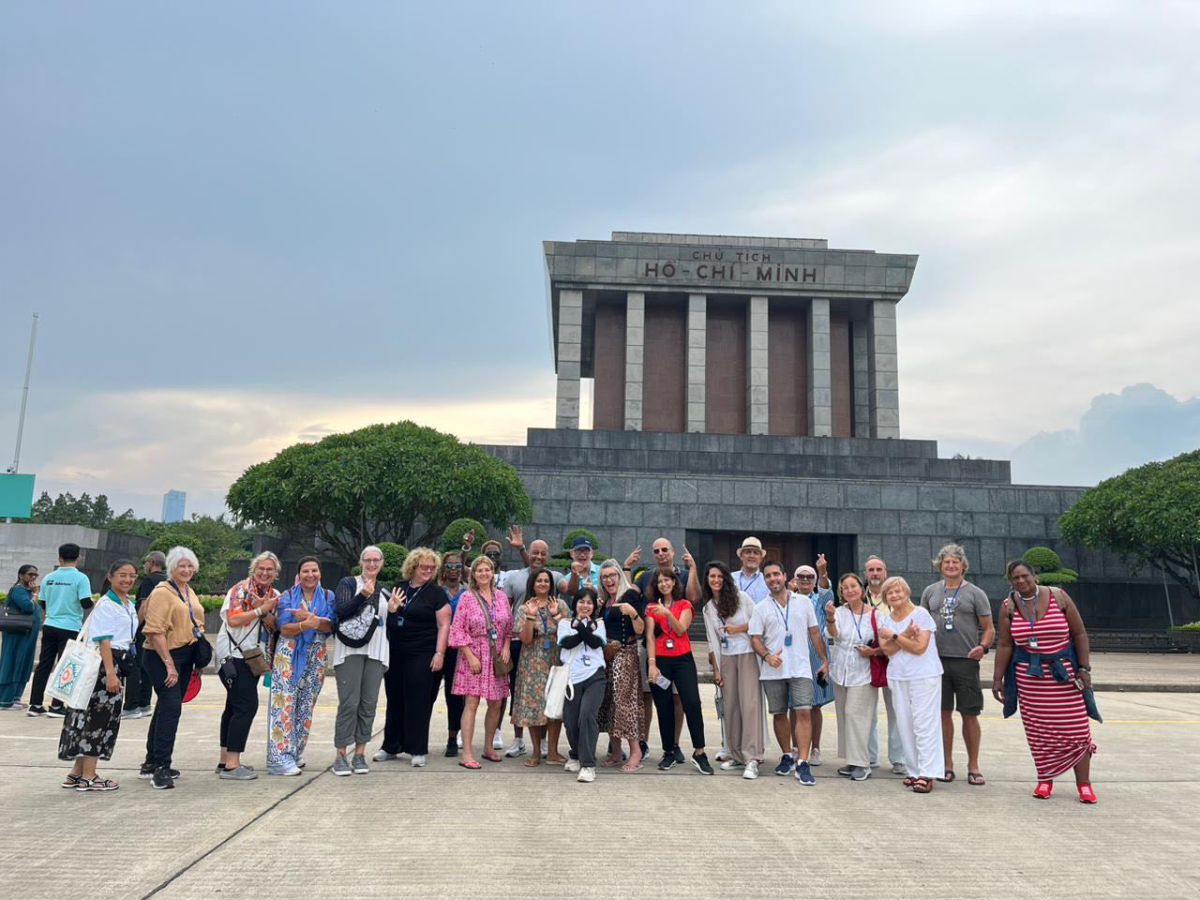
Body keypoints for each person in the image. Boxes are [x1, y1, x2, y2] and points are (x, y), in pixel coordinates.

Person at [992, 560, 1098, 803]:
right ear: (1010, 582)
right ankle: (1045, 779)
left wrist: (1084, 668)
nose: (1021, 581)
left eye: (1024, 576)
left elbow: (1079, 633)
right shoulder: (1008, 606)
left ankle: (1084, 784)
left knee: (1077, 730)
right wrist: (997, 678)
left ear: (1034, 576)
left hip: (1065, 676)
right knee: (1039, 733)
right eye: (1015, 578)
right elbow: (1005, 644)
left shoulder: (1059, 597)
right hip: (1030, 680)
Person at [56, 559, 139, 792]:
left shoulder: (126, 603)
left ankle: (77, 773)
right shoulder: (107, 604)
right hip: (104, 667)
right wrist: (111, 674)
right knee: (98, 719)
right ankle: (89, 777)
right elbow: (104, 641)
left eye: (132, 576)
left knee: (90, 716)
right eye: (122, 575)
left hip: (115, 663)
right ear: (110, 577)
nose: (127, 580)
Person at [749, 561, 828, 786]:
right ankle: (786, 755)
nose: (773, 579)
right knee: (779, 714)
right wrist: (767, 656)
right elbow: (755, 638)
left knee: (804, 712)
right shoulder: (760, 607)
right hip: (773, 670)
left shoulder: (803, 602)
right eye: (768, 576)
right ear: (765, 580)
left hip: (801, 668)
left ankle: (802, 762)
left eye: (776, 574)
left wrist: (824, 660)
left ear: (784, 576)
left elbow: (815, 633)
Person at [920, 544, 994, 786]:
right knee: (942, 714)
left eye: (955, 562)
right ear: (940, 565)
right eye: (946, 562)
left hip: (965, 660)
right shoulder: (930, 591)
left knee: (969, 713)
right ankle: (946, 764)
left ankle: (973, 766)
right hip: (936, 661)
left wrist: (983, 647)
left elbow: (989, 628)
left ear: (963, 566)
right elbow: (921, 623)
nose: (951, 565)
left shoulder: (976, 593)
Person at [376, 548, 451, 768]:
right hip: (396, 651)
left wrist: (440, 653)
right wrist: (391, 610)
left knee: (418, 700)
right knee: (395, 698)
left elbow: (444, 625)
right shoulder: (399, 587)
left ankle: (417, 749)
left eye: (432, 567)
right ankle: (391, 745)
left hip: (423, 652)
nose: (428, 571)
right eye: (424, 567)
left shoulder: (436, 593)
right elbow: (388, 620)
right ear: (413, 567)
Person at [139, 546, 205, 790]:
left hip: (185, 655)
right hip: (162, 655)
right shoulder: (162, 592)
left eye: (189, 566)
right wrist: (169, 665)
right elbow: (154, 631)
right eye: (181, 566)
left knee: (165, 707)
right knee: (171, 708)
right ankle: (161, 767)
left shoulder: (187, 590)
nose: (186, 570)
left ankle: (151, 762)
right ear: (171, 568)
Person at [494, 528, 561, 758]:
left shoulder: (556, 586)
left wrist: (576, 572)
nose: (538, 556)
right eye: (535, 552)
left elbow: (571, 591)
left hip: (552, 654)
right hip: (523, 647)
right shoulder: (515, 578)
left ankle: (544, 744)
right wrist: (504, 642)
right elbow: (505, 612)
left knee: (550, 698)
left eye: (543, 553)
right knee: (521, 694)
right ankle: (519, 739)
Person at [215, 551, 281, 780]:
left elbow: (275, 625)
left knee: (233, 706)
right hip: (233, 655)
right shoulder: (240, 590)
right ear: (253, 570)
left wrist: (264, 610)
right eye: (261, 568)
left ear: (275, 573)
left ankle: (225, 760)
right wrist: (259, 609)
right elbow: (233, 619)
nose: (265, 573)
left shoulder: (275, 595)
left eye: (269, 569)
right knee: (246, 706)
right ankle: (233, 765)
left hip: (254, 658)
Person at [877, 575, 943, 794]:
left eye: (898, 591)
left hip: (924, 675)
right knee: (905, 724)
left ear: (906, 592)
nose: (894, 595)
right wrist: (904, 635)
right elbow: (887, 650)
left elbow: (919, 648)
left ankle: (928, 772)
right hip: (898, 676)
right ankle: (914, 771)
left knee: (924, 725)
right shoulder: (885, 620)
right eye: (889, 592)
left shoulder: (920, 614)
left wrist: (894, 636)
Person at [268, 556, 334, 776]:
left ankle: (295, 752)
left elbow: (331, 625)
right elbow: (283, 627)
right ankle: (279, 758)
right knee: (284, 704)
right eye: (306, 571)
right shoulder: (287, 596)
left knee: (306, 705)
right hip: (289, 653)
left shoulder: (328, 596)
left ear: (320, 573)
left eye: (314, 570)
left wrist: (314, 621)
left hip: (317, 653)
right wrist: (306, 624)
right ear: (299, 575)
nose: (310, 575)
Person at [331, 545, 393, 777]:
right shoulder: (349, 583)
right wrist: (363, 595)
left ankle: (359, 753)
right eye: (368, 560)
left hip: (376, 651)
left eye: (376, 560)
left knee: (368, 704)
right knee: (349, 703)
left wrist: (394, 610)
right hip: (350, 650)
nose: (372, 564)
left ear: (382, 563)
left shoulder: (385, 590)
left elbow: (386, 622)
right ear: (361, 563)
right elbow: (341, 611)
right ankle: (340, 755)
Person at [646, 567, 713, 775]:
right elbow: (650, 636)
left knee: (691, 703)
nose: (664, 584)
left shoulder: (685, 604)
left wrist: (667, 613)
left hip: (683, 659)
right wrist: (652, 664)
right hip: (661, 660)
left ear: (674, 582)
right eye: (660, 582)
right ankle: (668, 752)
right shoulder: (651, 607)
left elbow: (681, 629)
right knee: (663, 706)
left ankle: (699, 752)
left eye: (667, 580)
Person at [701, 560, 765, 779]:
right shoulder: (708, 608)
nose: (716, 580)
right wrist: (716, 670)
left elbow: (759, 622)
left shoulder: (741, 598)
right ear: (707, 580)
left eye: (720, 576)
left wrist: (738, 629)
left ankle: (753, 757)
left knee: (750, 705)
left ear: (726, 578)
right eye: (712, 576)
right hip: (726, 658)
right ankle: (736, 754)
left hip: (747, 654)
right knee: (731, 708)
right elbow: (712, 641)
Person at [449, 554, 512, 769]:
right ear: (473, 574)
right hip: (474, 653)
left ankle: (488, 747)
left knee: (496, 703)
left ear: (493, 573)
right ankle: (467, 753)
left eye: (488, 569)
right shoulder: (467, 597)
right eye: (480, 570)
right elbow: (457, 629)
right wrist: (469, 655)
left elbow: (508, 627)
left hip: (496, 654)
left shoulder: (501, 597)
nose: (484, 573)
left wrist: (506, 646)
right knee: (472, 703)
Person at [509, 568, 570, 767]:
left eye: (546, 581)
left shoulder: (560, 605)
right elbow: (525, 639)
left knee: (555, 704)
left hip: (555, 660)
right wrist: (530, 616)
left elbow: (568, 634)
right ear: (532, 584)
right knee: (533, 707)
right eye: (539, 581)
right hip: (531, 662)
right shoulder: (524, 608)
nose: (543, 584)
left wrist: (557, 615)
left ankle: (552, 751)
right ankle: (536, 752)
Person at [27, 543, 94, 718]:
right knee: (65, 666)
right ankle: (57, 706)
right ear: (78, 558)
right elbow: (85, 603)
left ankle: (35, 704)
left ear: (60, 558)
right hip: (70, 626)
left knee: (44, 665)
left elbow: (43, 603)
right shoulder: (81, 578)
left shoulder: (49, 578)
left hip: (50, 625)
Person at [824, 573, 878, 781]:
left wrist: (872, 652)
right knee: (844, 716)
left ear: (861, 589)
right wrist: (830, 617)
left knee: (856, 716)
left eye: (853, 586)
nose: (849, 590)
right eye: (845, 587)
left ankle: (863, 763)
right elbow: (833, 634)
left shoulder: (875, 615)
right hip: (841, 671)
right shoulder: (839, 612)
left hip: (863, 672)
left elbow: (884, 642)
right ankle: (852, 760)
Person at [596, 558, 645, 771]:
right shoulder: (604, 602)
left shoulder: (630, 596)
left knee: (625, 702)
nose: (609, 580)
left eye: (612, 576)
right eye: (604, 577)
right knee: (609, 702)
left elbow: (641, 629)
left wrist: (632, 612)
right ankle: (616, 751)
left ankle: (635, 751)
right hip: (607, 656)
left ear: (619, 576)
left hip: (625, 654)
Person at [559, 587, 608, 783]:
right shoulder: (564, 623)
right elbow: (567, 643)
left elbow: (595, 643)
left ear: (594, 606)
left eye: (589, 603)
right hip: (572, 678)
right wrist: (584, 629)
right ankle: (576, 754)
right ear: (575, 603)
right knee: (571, 721)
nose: (585, 606)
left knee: (587, 716)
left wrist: (581, 627)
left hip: (595, 676)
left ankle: (588, 765)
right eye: (581, 602)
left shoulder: (599, 623)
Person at [863, 554, 904, 774]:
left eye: (879, 569)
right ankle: (869, 757)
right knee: (867, 711)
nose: (875, 573)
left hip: (893, 659)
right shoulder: (859, 596)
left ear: (885, 572)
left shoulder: (896, 596)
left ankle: (899, 759)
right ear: (865, 574)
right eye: (871, 570)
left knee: (896, 710)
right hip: (866, 660)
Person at [793, 559, 834, 766]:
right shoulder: (789, 600)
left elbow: (827, 590)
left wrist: (822, 571)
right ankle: (795, 747)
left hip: (817, 657)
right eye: (801, 576)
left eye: (810, 577)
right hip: (795, 657)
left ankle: (815, 748)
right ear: (794, 580)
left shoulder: (819, 599)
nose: (805, 580)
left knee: (815, 705)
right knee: (795, 704)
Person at [122, 551, 166, 720]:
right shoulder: (167, 580)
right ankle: (144, 703)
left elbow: (144, 606)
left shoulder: (149, 581)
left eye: (146, 562)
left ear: (152, 562)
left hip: (144, 629)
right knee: (147, 666)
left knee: (134, 666)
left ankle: (131, 706)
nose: (145, 565)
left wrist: (134, 628)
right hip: (158, 629)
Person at [434, 550, 468, 756]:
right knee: (427, 694)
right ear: (443, 569)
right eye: (450, 566)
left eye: (457, 566)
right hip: (436, 649)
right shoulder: (436, 591)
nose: (454, 569)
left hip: (459, 651)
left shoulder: (468, 593)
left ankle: (453, 738)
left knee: (454, 697)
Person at [0, 564, 41, 710]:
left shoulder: (26, 590)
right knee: (13, 662)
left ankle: (15, 697)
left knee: (23, 664)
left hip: (27, 634)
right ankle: (5, 700)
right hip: (17, 635)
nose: (33, 577)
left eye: (35, 575)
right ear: (21, 575)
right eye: (30, 574)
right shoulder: (18, 590)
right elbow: (28, 607)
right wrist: (35, 594)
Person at [733, 536, 771, 604]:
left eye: (756, 553)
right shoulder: (730, 578)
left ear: (761, 558)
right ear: (741, 556)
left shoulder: (767, 580)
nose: (752, 556)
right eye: (748, 552)